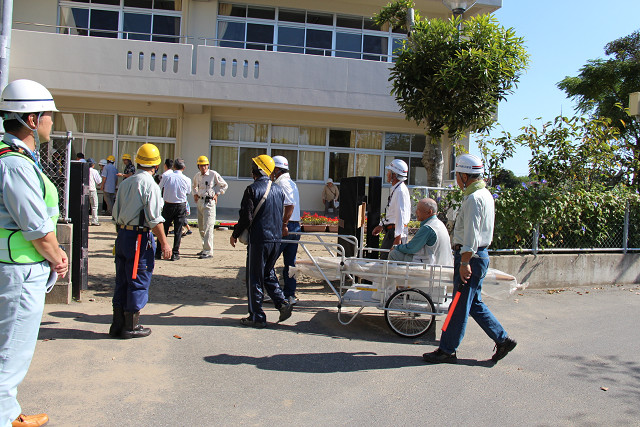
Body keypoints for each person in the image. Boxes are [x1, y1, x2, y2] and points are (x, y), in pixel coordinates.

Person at [0, 79, 69, 427]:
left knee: (9, 346)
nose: (52, 122)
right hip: (19, 267)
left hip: (16, 265)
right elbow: (36, 227)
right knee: (12, 352)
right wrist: (57, 256)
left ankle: (10, 414)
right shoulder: (14, 164)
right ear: (31, 119)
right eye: (48, 116)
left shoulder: (17, 157)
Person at [422, 154, 517, 364]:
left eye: (457, 175)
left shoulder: (474, 198)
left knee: (458, 304)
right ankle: (502, 339)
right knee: (473, 303)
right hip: (477, 256)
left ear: (464, 175)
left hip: (470, 257)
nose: (456, 179)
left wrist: (464, 262)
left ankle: (447, 350)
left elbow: (472, 236)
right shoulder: (483, 194)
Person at [110, 143, 171, 339]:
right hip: (139, 237)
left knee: (122, 280)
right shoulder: (150, 185)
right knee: (138, 278)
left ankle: (117, 324)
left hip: (123, 235)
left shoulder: (127, 182)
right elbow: (154, 219)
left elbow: (115, 214)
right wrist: (164, 243)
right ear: (156, 165)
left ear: (137, 162)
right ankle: (132, 326)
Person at [230, 155, 293, 328]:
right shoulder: (278, 190)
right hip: (275, 240)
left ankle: (257, 316)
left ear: (256, 170)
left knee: (254, 277)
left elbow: (246, 218)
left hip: (259, 240)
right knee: (267, 273)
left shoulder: (252, 189)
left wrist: (235, 234)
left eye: (252, 166)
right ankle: (282, 303)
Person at [388, 198, 453, 266]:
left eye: (419, 210)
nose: (416, 212)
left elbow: (412, 248)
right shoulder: (439, 224)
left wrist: (396, 247)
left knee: (394, 254)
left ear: (429, 212)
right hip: (444, 264)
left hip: (432, 267)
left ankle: (395, 276)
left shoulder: (428, 227)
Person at [271, 156, 301, 305]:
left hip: (286, 226)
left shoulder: (282, 183)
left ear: (277, 169)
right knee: (290, 263)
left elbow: (289, 205)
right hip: (295, 226)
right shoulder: (291, 182)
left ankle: (275, 294)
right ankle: (289, 295)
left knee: (268, 262)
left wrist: (283, 224)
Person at [372, 159, 411, 260]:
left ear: (394, 175)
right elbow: (392, 212)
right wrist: (381, 225)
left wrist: (397, 238)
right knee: (385, 259)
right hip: (393, 231)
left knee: (387, 262)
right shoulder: (396, 188)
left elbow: (400, 214)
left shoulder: (400, 191)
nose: (387, 174)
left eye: (389, 172)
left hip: (395, 232)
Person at [192, 155, 227, 259]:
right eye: (201, 166)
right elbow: (194, 186)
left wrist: (217, 194)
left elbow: (224, 185)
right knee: (201, 227)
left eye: (205, 165)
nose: (203, 168)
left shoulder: (213, 174)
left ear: (208, 165)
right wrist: (195, 194)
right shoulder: (197, 176)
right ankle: (204, 248)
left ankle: (208, 251)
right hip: (200, 201)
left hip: (209, 202)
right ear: (198, 166)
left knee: (208, 227)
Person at [158, 158, 191, 261]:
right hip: (181, 205)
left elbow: (159, 187)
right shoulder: (187, 179)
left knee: (164, 229)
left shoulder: (167, 176)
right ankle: (175, 253)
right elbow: (188, 192)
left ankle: (158, 252)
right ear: (184, 168)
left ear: (174, 167)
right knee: (178, 231)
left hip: (168, 204)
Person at [87, 158, 103, 226]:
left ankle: (85, 220)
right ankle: (94, 220)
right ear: (93, 164)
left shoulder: (84, 170)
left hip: (84, 190)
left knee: (85, 206)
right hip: (92, 189)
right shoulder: (94, 171)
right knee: (94, 206)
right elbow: (99, 181)